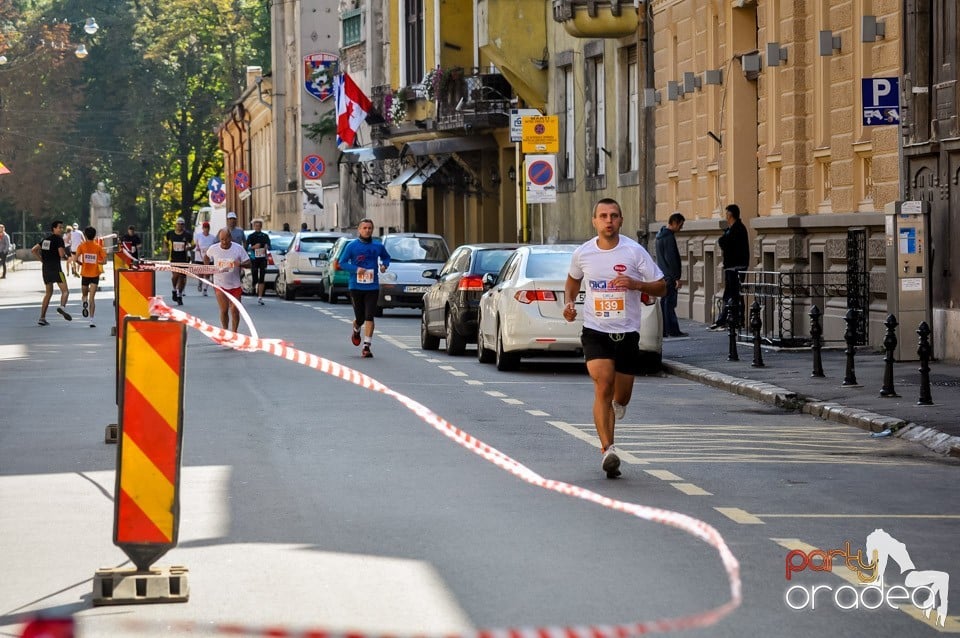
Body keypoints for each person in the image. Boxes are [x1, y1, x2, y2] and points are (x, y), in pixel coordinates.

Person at [563, 198, 666, 478]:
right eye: (603, 216)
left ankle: (618, 406)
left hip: (627, 332)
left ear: (621, 220)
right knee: (602, 385)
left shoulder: (634, 252)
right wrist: (570, 303)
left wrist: (636, 284)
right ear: (594, 221)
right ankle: (608, 450)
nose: (608, 220)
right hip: (596, 330)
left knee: (621, 396)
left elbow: (662, 287)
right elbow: (572, 281)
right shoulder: (583, 253)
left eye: (614, 216)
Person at [339, 218, 391, 358]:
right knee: (360, 318)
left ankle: (367, 346)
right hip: (356, 286)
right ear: (359, 230)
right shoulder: (352, 246)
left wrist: (384, 265)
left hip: (372, 286)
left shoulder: (377, 246)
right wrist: (356, 269)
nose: (367, 230)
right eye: (365, 228)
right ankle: (356, 329)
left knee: (369, 316)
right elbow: (342, 263)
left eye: (370, 228)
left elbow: (386, 257)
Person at [710, 203, 751, 330]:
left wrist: (724, 240)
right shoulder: (732, 229)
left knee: (734, 294)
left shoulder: (737, 229)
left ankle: (734, 320)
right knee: (731, 294)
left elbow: (724, 242)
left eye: (726, 214)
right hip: (732, 266)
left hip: (736, 267)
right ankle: (727, 319)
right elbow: (724, 241)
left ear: (730, 215)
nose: (725, 216)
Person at [204, 227, 250, 332]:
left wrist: (241, 264)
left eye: (226, 239)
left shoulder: (238, 248)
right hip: (220, 284)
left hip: (235, 285)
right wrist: (208, 267)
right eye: (222, 240)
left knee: (234, 310)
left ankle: (234, 332)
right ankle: (225, 331)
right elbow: (206, 257)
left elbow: (249, 263)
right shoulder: (214, 248)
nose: (224, 242)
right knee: (224, 310)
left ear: (231, 238)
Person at [31, 220, 72, 325]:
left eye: (62, 227)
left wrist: (42, 260)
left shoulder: (46, 240)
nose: (61, 229)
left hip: (46, 269)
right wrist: (67, 258)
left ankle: (42, 318)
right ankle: (62, 307)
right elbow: (61, 254)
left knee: (48, 293)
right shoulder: (59, 239)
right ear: (54, 228)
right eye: (59, 227)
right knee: (65, 291)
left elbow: (34, 250)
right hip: (57, 269)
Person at [655, 212, 687, 338]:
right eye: (680, 225)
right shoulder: (668, 238)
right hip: (670, 276)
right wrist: (676, 278)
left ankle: (664, 329)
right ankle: (672, 330)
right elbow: (672, 259)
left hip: (664, 275)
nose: (681, 228)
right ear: (674, 223)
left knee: (665, 303)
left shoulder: (660, 236)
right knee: (670, 304)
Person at [74, 226, 107, 328]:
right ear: (95, 236)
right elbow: (105, 261)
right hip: (95, 275)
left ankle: (84, 301)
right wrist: (97, 261)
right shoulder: (98, 247)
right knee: (92, 298)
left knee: (84, 294)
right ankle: (91, 320)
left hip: (85, 274)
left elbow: (75, 259)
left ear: (85, 235)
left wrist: (81, 263)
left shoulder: (81, 246)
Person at [164, 217, 194, 305]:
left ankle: (179, 295)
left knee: (182, 278)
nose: (180, 226)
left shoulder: (187, 235)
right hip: (173, 258)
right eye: (178, 224)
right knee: (175, 275)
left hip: (184, 259)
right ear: (175, 225)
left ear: (184, 225)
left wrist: (189, 247)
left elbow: (194, 245)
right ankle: (174, 289)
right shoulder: (170, 233)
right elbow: (165, 241)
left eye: (182, 224)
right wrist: (165, 247)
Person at [246, 218, 271, 305]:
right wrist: (253, 247)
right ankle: (254, 286)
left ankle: (260, 297)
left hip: (263, 259)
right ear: (254, 226)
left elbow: (269, 246)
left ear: (261, 226)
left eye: (259, 226)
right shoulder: (251, 236)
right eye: (256, 226)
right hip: (254, 259)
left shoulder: (265, 236)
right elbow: (246, 247)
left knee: (262, 277)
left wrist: (266, 247)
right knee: (255, 276)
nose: (258, 227)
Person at [193, 221, 218, 295]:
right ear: (202, 228)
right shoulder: (198, 236)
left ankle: (205, 289)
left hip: (208, 258)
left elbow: (214, 246)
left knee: (207, 273)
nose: (206, 229)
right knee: (200, 273)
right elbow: (195, 244)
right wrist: (197, 248)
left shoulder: (212, 237)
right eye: (205, 228)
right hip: (200, 257)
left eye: (207, 228)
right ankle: (200, 282)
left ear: (209, 229)